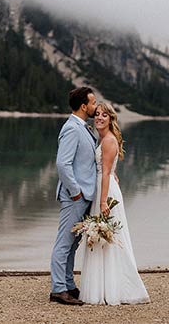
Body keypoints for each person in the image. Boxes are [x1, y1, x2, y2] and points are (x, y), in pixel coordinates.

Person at [79, 102, 150, 305]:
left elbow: (106, 172)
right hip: (103, 188)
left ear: (111, 118)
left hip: (105, 193)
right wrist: (110, 176)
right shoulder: (103, 139)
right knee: (102, 240)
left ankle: (116, 288)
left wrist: (102, 202)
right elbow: (108, 168)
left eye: (104, 115)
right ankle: (102, 287)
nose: (99, 118)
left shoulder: (109, 141)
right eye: (97, 114)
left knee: (109, 239)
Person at [49, 86, 98, 305]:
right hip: (75, 197)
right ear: (83, 106)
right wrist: (76, 192)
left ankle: (68, 285)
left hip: (84, 196)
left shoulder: (83, 127)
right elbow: (62, 163)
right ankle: (58, 289)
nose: (96, 107)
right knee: (64, 243)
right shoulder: (71, 128)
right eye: (93, 103)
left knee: (73, 244)